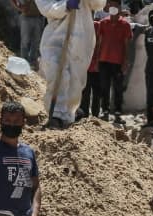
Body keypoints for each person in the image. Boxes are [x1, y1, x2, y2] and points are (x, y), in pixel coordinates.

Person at [37, 0, 106, 129]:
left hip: (81, 37)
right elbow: (45, 7)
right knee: (55, 69)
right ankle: (56, 114)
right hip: (56, 35)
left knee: (76, 79)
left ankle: (68, 114)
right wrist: (65, 5)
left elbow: (99, 4)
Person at [98, 0, 132, 124]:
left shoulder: (125, 25)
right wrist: (97, 58)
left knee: (118, 89)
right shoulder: (103, 23)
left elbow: (126, 45)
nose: (112, 7)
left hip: (118, 62)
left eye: (115, 5)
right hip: (104, 60)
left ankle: (118, 112)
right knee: (104, 87)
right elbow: (99, 43)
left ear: (119, 7)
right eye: (110, 4)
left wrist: (125, 61)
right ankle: (105, 111)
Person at [79, 12, 102, 120]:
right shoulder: (81, 27)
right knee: (86, 92)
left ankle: (94, 116)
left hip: (95, 66)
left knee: (95, 92)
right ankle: (87, 114)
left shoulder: (98, 25)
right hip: (86, 66)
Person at [11, 0, 45, 68]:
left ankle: (32, 62)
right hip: (26, 17)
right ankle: (24, 61)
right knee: (25, 41)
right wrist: (19, 7)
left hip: (39, 17)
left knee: (36, 41)